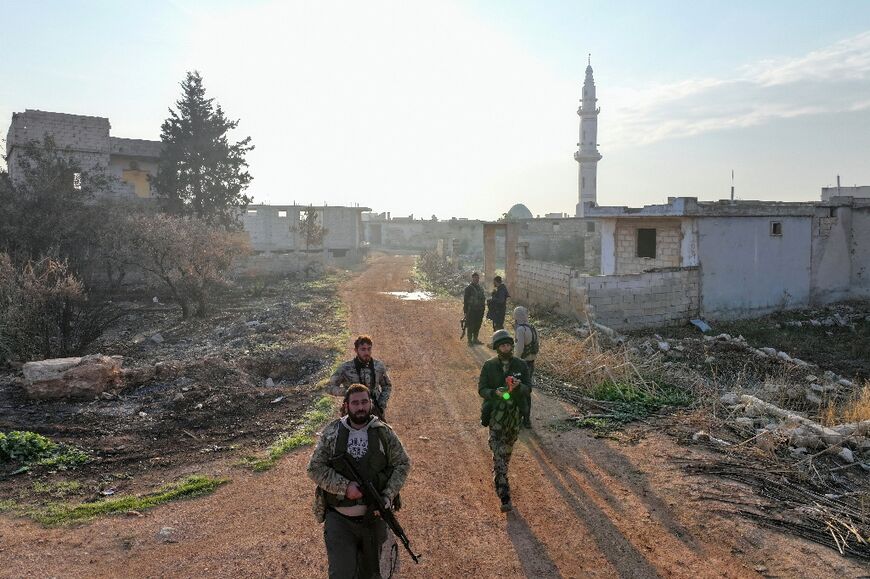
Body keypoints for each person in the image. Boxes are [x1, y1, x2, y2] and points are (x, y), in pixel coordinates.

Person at [308, 384, 411, 579]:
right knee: (341, 574)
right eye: (355, 403)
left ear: (371, 404)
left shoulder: (384, 433)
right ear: (346, 406)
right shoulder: (332, 432)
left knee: (373, 574)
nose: (360, 407)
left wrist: (388, 496)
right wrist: (345, 488)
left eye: (364, 401)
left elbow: (403, 464)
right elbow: (314, 468)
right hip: (339, 520)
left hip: (375, 520)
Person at [478, 329, 531, 512]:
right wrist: (494, 393)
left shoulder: (521, 365)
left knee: (506, 452)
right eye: (502, 345)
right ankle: (504, 492)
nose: (506, 347)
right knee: (497, 449)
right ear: (497, 347)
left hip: (514, 416)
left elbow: (528, 389)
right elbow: (482, 389)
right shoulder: (489, 365)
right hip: (496, 415)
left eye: (508, 344)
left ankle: (500, 473)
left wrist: (519, 386)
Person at [327, 335, 393, 419]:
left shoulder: (378, 366)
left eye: (369, 349)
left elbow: (387, 385)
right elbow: (329, 387)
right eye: (363, 349)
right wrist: (348, 392)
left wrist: (382, 403)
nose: (367, 353)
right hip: (352, 412)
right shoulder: (345, 368)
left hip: (375, 411)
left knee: (384, 431)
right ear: (356, 350)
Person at [513, 306, 539, 429]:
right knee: (527, 390)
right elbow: (536, 346)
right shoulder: (532, 328)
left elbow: (519, 349)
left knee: (517, 390)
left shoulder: (521, 330)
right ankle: (527, 420)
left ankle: (518, 418)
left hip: (521, 364)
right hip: (531, 363)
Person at [462, 272, 486, 346]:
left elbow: (483, 299)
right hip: (471, 311)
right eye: (475, 278)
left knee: (477, 325)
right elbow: (465, 300)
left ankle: (475, 339)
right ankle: (469, 341)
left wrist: (483, 309)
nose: (477, 279)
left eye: (477, 278)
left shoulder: (480, 288)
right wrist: (465, 311)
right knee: (470, 325)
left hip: (479, 310)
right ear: (472, 278)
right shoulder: (468, 288)